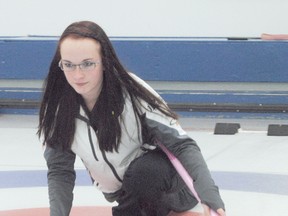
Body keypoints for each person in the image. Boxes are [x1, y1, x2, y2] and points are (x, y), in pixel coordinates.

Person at [38, 20, 226, 216]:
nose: (78, 74)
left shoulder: (132, 92)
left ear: (104, 61)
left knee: (144, 172)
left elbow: (182, 145)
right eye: (69, 65)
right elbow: (60, 171)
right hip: (124, 192)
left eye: (87, 64)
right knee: (137, 186)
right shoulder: (58, 109)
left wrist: (208, 192)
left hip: (171, 186)